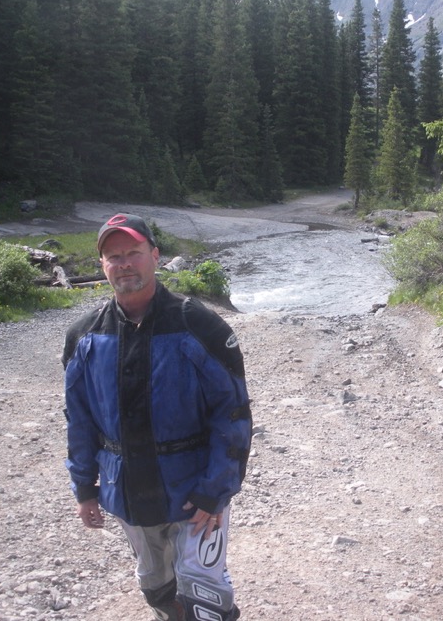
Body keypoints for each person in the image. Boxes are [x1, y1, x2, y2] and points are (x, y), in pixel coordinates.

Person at [62, 213, 251, 621]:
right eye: (114, 256)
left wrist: (215, 489)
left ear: (155, 256)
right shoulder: (84, 336)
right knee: (156, 584)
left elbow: (231, 414)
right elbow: (78, 421)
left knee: (204, 589)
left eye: (134, 252)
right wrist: (84, 488)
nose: (124, 263)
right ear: (103, 265)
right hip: (125, 488)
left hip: (196, 489)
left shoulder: (198, 324)